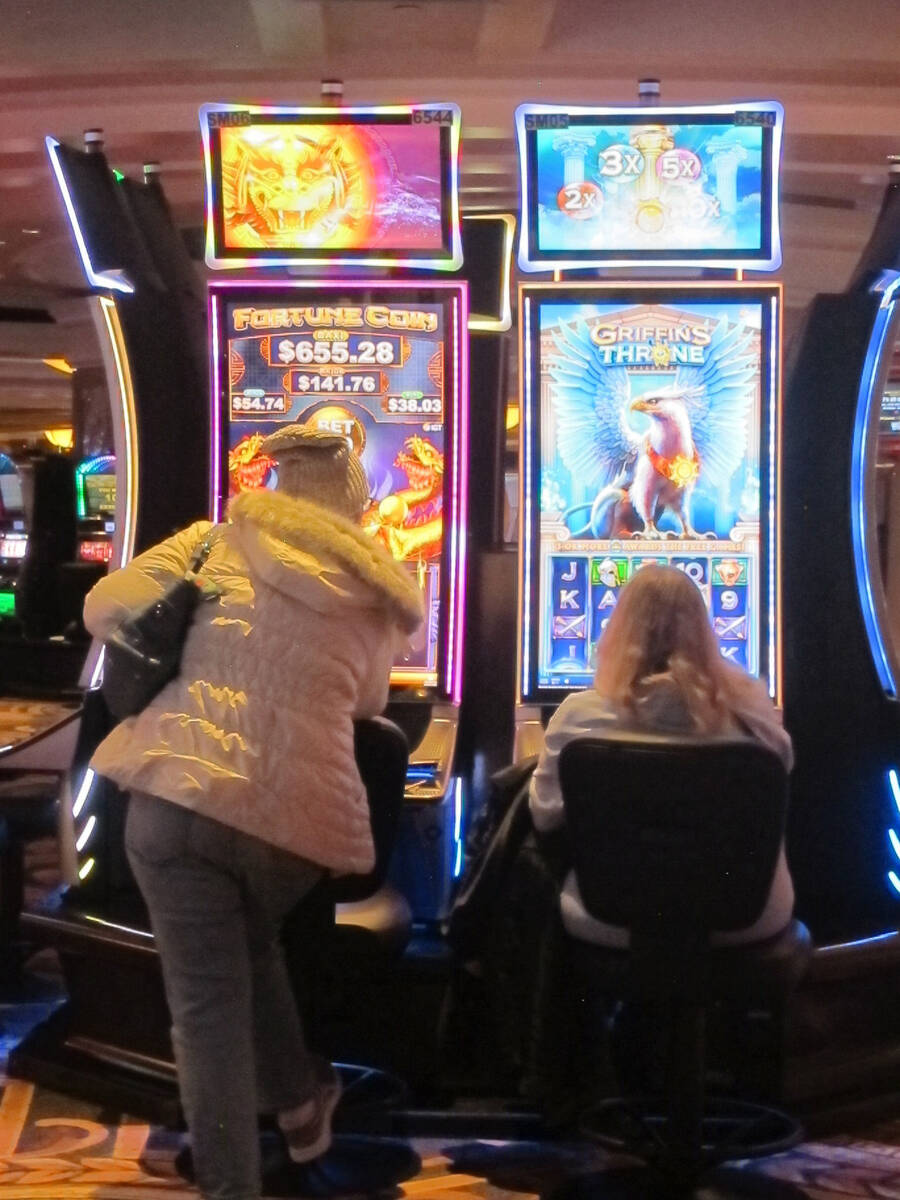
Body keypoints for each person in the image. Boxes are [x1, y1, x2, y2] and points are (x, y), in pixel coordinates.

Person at [83, 425, 423, 1200]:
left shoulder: (214, 543)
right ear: (355, 504)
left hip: (177, 793)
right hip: (294, 826)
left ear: (273, 484)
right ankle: (302, 1108)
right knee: (251, 945)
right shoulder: (379, 590)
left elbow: (105, 606)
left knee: (207, 1014)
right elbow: (369, 704)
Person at [529, 562, 794, 949]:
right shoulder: (753, 717)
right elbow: (781, 778)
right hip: (747, 917)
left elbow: (545, 816)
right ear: (705, 632)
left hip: (612, 915)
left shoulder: (578, 716)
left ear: (618, 631)